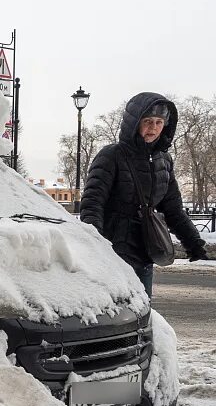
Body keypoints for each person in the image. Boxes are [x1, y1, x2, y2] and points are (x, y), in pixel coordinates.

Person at [80, 92, 209, 296]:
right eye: (148, 121)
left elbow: (173, 208)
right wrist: (94, 244)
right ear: (134, 122)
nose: (153, 128)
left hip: (145, 252)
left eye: (159, 122)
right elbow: (92, 203)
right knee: (114, 315)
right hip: (112, 254)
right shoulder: (112, 155)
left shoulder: (163, 160)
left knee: (142, 313)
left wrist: (193, 243)